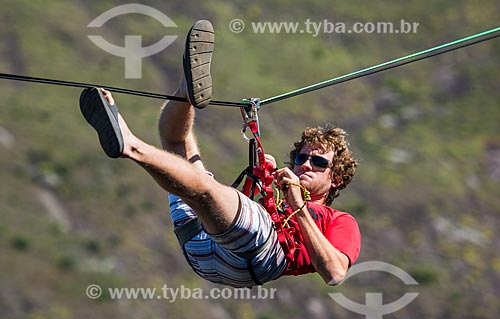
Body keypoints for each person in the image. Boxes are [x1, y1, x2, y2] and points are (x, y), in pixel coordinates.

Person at [79, 20, 361, 287]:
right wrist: (267, 183)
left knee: (206, 189)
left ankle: (130, 145)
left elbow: (335, 273)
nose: (305, 165)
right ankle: (185, 91)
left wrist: (298, 206)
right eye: (301, 158)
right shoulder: (279, 194)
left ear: (336, 178)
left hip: (259, 257)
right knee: (178, 149)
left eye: (318, 161)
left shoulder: (339, 221)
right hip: (200, 243)